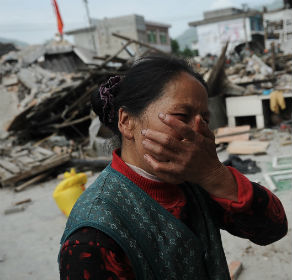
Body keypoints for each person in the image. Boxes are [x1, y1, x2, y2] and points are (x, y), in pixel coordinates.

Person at [59, 55, 287, 280]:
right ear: (127, 122)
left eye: (204, 121)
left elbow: (272, 229)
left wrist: (216, 175)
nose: (197, 132)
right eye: (181, 116)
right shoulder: (92, 235)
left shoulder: (196, 181)